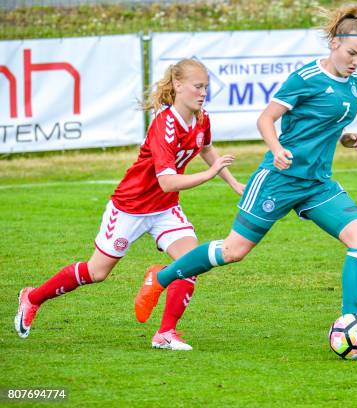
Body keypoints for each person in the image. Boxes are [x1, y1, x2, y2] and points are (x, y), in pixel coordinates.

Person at [135, 4, 357, 349]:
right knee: (233, 251)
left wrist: (345, 136)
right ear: (333, 43)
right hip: (278, 179)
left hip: (317, 184)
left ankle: (353, 325)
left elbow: (327, 122)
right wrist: (277, 148)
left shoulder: (353, 81)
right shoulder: (305, 78)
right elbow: (265, 119)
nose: (356, 62)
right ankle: (160, 277)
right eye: (351, 53)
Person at [15, 59, 244, 351]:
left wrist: (233, 182)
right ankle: (32, 297)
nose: (203, 93)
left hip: (164, 209)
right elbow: (167, 181)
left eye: (206, 87)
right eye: (198, 87)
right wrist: (210, 175)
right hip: (130, 207)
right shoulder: (165, 126)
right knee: (96, 272)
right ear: (178, 85)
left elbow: (207, 149)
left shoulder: (202, 118)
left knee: (190, 262)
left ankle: (165, 333)